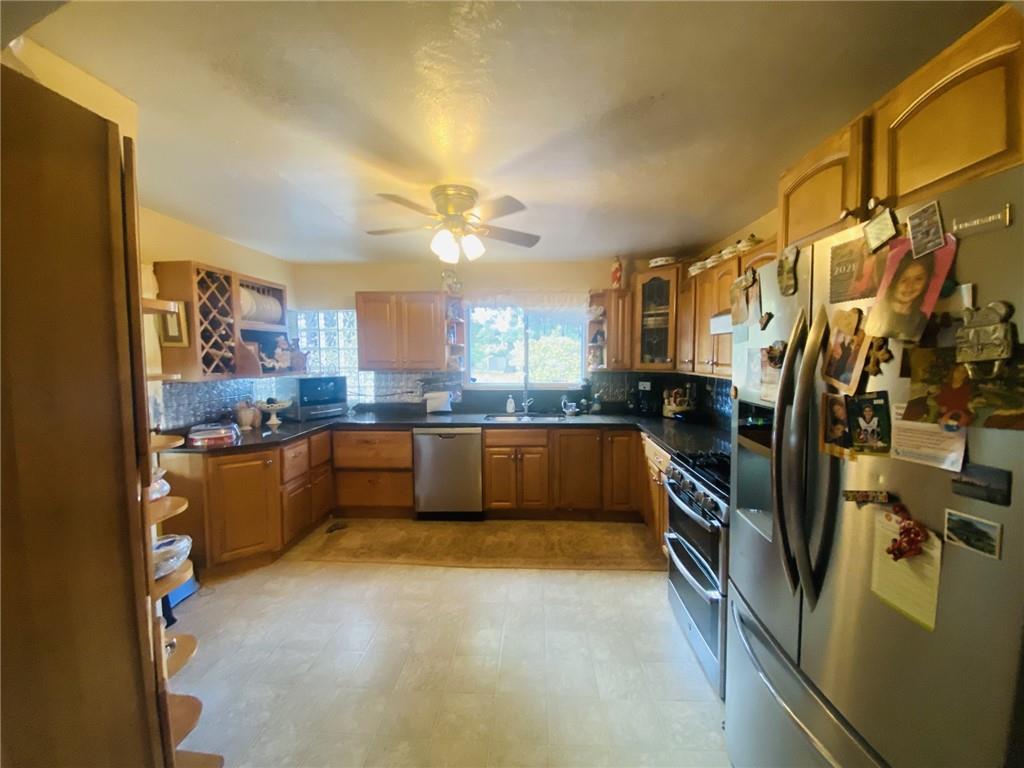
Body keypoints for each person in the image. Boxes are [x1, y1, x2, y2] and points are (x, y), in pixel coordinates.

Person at [870, 253, 935, 341]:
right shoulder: (878, 313)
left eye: (918, 279)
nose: (910, 286)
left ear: (926, 281)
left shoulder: (921, 320)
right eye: (904, 279)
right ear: (893, 281)